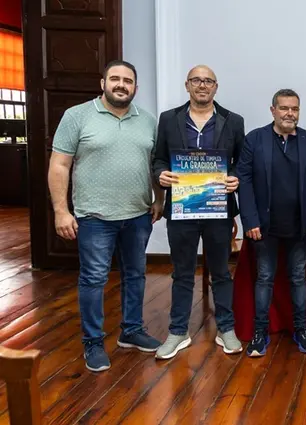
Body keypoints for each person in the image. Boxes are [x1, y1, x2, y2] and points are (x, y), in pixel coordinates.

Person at [48, 60, 163, 372]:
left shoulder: (148, 121)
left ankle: (132, 330)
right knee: (94, 279)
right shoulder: (77, 116)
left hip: (138, 215)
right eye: (115, 79)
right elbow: (60, 165)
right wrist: (61, 211)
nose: (121, 85)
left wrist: (159, 199)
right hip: (94, 216)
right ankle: (93, 342)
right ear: (103, 83)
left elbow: (155, 165)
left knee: (136, 275)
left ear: (135, 87)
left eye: (128, 80)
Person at [152, 65, 245, 359]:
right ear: (187, 85)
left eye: (208, 81)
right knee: (182, 273)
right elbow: (158, 159)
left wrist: (235, 177)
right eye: (196, 80)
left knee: (220, 272)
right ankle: (178, 331)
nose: (202, 85)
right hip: (181, 210)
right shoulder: (169, 119)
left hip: (218, 210)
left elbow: (242, 162)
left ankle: (226, 328)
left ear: (216, 87)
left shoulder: (233, 121)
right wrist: (161, 175)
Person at [237, 89, 306, 357]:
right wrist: (249, 219)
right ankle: (259, 332)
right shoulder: (255, 139)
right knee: (264, 278)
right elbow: (244, 181)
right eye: (284, 108)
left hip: (300, 227)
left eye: (295, 109)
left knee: (298, 278)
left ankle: (302, 329)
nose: (290, 113)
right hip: (263, 227)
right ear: (273, 110)